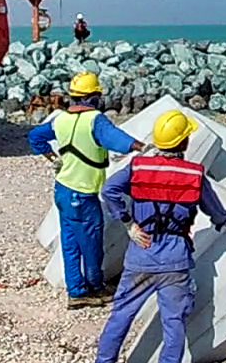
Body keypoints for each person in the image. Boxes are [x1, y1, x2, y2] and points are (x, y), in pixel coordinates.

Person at [90, 110, 226, 363]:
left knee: (122, 314)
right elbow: (216, 214)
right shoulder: (194, 174)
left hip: (141, 253)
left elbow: (109, 190)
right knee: (174, 323)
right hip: (176, 258)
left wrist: (128, 223)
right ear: (185, 142)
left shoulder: (138, 167)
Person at [27, 72, 145, 309]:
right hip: (83, 194)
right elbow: (116, 139)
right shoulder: (95, 119)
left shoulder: (60, 120)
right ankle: (96, 288)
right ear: (93, 97)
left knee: (70, 243)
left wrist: (53, 158)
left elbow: (35, 137)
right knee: (91, 246)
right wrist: (141, 146)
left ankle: (76, 291)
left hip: (63, 189)